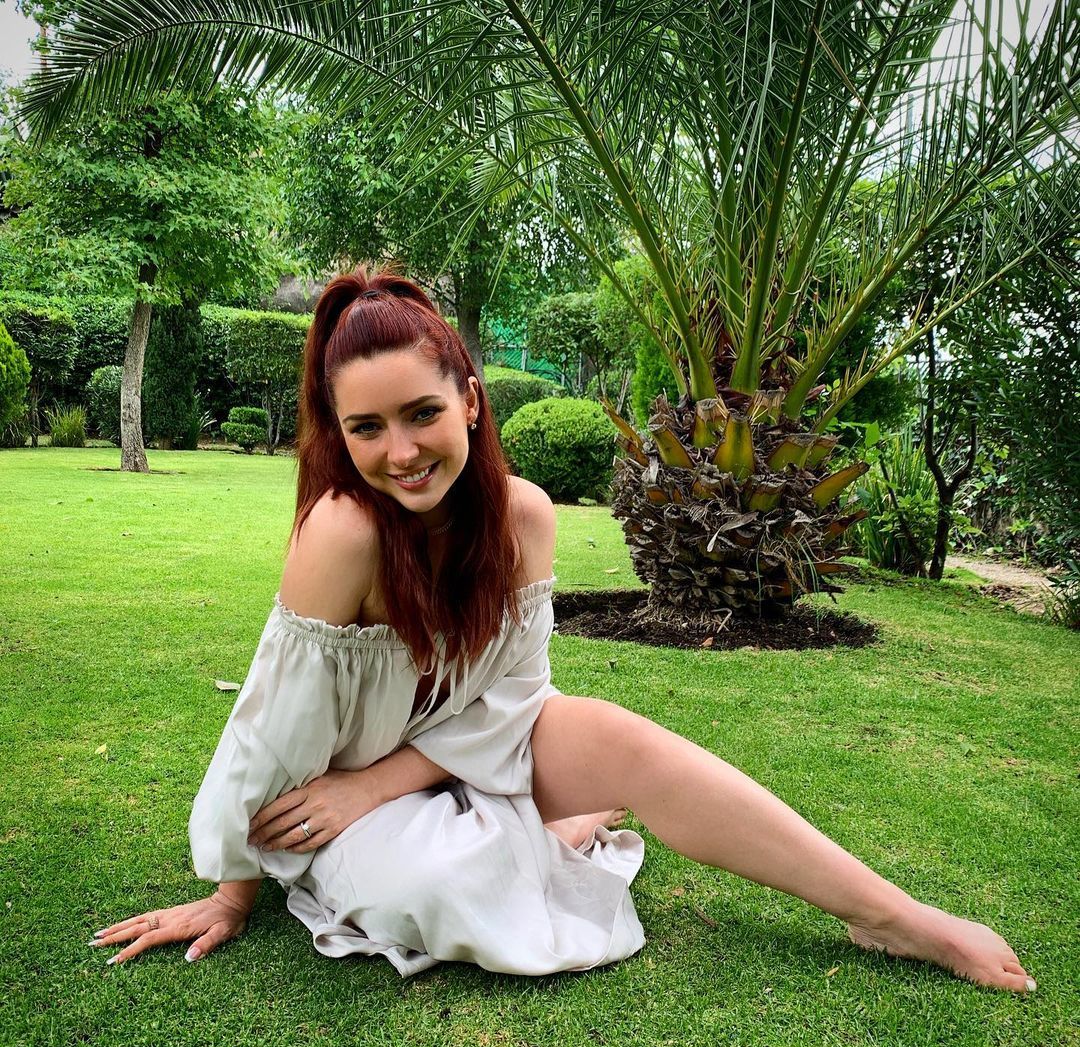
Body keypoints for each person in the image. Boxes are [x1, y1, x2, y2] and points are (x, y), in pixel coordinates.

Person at [89, 269, 1035, 992]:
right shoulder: (342, 532)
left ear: (470, 398)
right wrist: (232, 893)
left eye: (423, 413)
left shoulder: (525, 516)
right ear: (339, 432)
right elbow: (274, 727)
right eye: (366, 427)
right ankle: (542, 832)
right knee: (437, 891)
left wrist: (394, 778)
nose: (401, 452)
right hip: (341, 793)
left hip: (459, 754)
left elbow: (513, 699)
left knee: (627, 739)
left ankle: (895, 916)